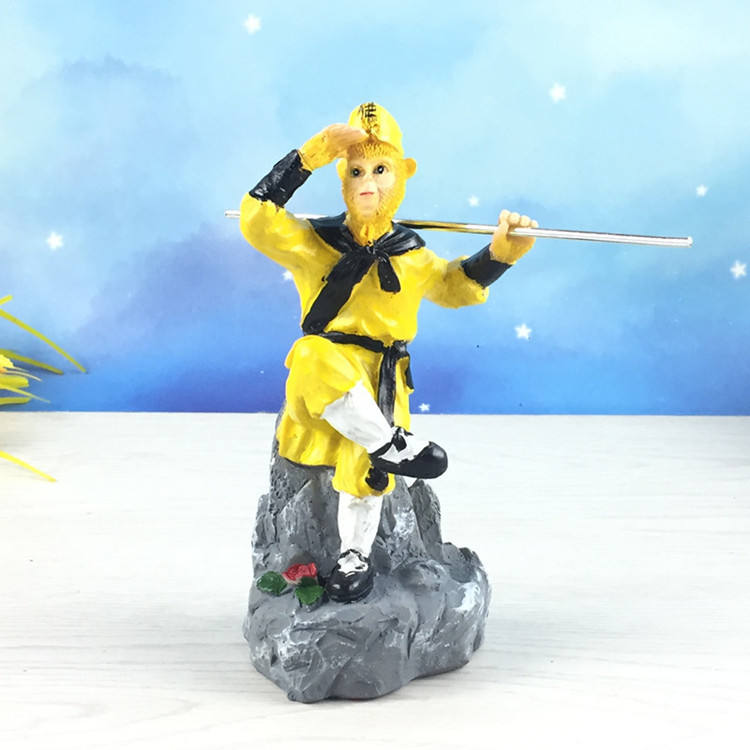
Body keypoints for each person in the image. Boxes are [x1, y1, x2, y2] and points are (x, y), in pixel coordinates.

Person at [239, 102, 537, 602]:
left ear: (403, 174)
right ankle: (393, 444)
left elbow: (455, 285)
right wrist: (308, 157)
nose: (368, 183)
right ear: (342, 177)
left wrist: (500, 255)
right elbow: (256, 220)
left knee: (366, 454)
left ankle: (354, 554)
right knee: (311, 353)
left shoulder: (411, 254)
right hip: (320, 385)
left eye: (380, 170)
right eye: (356, 171)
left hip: (378, 380)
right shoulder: (315, 242)